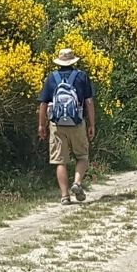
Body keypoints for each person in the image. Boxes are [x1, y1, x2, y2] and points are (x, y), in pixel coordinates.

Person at [37, 48, 96, 205]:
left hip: (57, 124)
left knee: (60, 161)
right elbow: (89, 102)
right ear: (73, 61)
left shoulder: (52, 78)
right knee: (82, 156)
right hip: (77, 123)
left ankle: (64, 196)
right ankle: (76, 183)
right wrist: (92, 124)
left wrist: (41, 125)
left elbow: (43, 103)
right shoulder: (81, 76)